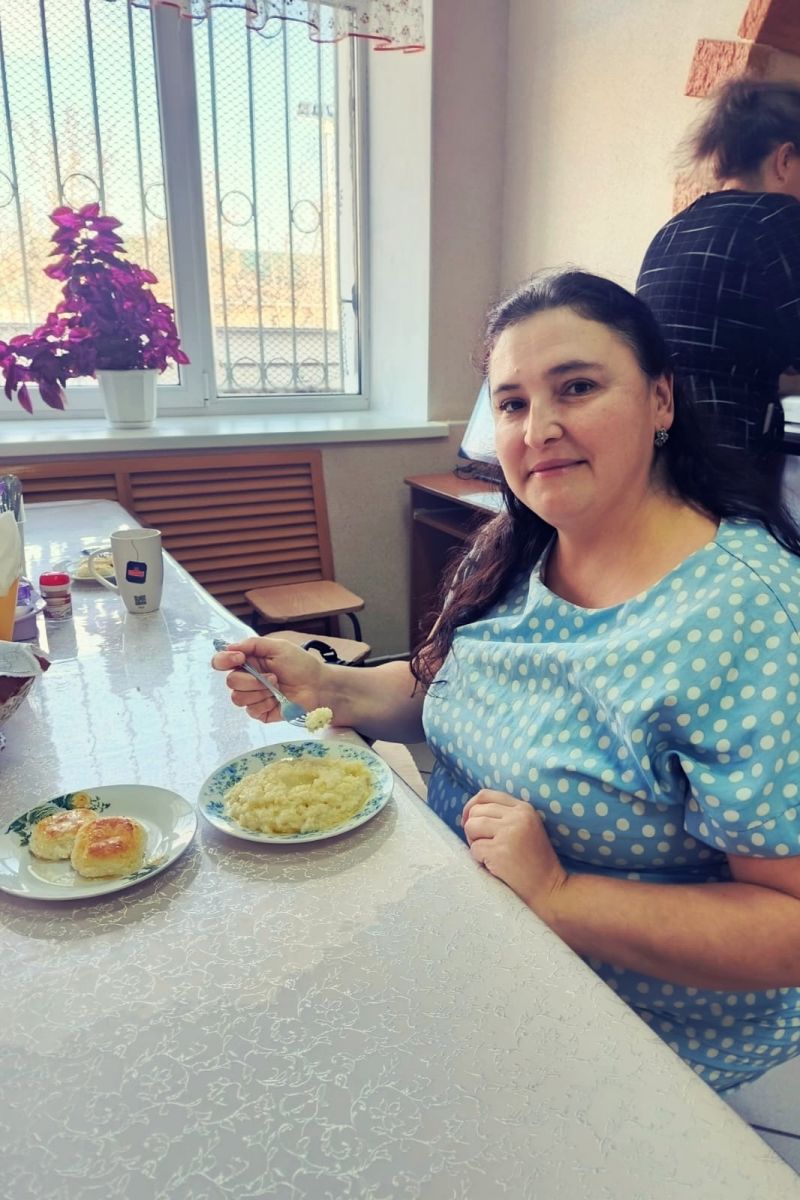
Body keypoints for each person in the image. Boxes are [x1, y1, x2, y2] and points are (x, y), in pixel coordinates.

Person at [213, 270, 800, 1094]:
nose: (540, 428)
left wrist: (559, 894)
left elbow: (788, 925)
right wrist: (330, 687)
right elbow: (440, 692)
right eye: (513, 403)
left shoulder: (749, 614)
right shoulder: (519, 548)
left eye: (578, 387)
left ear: (661, 400)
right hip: (471, 932)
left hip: (631, 1023)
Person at [636, 76, 800, 494]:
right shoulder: (777, 218)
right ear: (784, 160)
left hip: (659, 455)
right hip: (729, 460)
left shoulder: (674, 229)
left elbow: (720, 346)